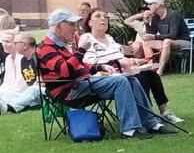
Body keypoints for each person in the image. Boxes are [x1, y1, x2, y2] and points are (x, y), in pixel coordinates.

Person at [37, 8, 169, 139]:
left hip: (82, 84)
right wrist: (81, 51)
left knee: (132, 80)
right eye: (71, 24)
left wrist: (100, 67)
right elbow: (65, 71)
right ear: (58, 26)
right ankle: (130, 130)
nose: (75, 28)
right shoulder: (46, 48)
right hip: (69, 91)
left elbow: (79, 66)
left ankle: (151, 124)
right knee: (120, 81)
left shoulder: (64, 44)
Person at [78, 8, 183, 124]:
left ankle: (164, 112)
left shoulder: (109, 38)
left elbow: (119, 56)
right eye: (98, 16)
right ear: (89, 22)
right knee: (140, 77)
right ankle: (147, 116)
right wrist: (117, 63)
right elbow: (89, 61)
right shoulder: (87, 38)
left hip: (120, 71)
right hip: (103, 75)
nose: (103, 19)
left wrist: (132, 60)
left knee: (151, 73)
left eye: (105, 16)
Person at [141, 0, 191, 75]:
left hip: (184, 41)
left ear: (157, 5)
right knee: (146, 43)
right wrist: (146, 21)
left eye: (150, 4)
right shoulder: (155, 17)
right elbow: (151, 34)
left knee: (167, 41)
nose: (148, 6)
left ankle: (160, 71)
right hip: (166, 42)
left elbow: (173, 35)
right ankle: (151, 69)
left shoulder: (173, 15)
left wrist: (154, 37)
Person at [0, 31, 40, 114]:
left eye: (8, 42)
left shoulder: (27, 58)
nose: (4, 44)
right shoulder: (11, 59)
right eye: (3, 41)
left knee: (32, 91)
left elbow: (24, 85)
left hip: (27, 91)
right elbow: (7, 83)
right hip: (16, 92)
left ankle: (8, 107)